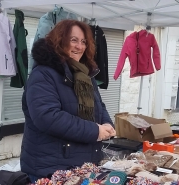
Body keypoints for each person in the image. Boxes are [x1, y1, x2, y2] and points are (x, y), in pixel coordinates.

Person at [20, 19, 116, 183]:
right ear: (59, 40)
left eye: (83, 41)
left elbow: (99, 106)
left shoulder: (86, 75)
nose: (80, 46)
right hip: (51, 168)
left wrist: (107, 124)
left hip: (83, 166)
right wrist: (95, 131)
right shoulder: (43, 74)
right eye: (74, 40)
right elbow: (48, 117)